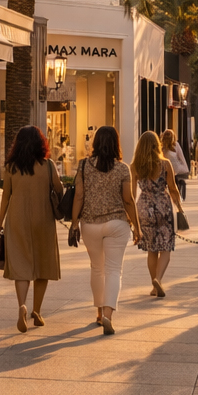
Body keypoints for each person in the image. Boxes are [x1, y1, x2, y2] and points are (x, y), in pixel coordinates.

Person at [70, 125, 141, 335]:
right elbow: (128, 200)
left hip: (90, 224)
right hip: (117, 224)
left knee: (97, 268)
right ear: (116, 144)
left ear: (95, 143)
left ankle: (99, 313)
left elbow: (79, 196)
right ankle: (109, 315)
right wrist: (137, 227)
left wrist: (74, 223)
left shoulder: (83, 166)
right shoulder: (122, 169)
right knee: (113, 270)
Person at [0, 125, 64, 333]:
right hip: (43, 220)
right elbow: (59, 190)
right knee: (42, 265)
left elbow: (6, 195)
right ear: (40, 143)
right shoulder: (49, 166)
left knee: (21, 266)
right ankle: (37, 311)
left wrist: (0, 222)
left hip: (17, 220)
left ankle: (22, 306)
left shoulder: (11, 167)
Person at [131, 131, 183, 298]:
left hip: (144, 207)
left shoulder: (135, 166)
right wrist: (180, 208)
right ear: (157, 145)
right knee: (166, 247)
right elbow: (173, 189)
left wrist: (131, 219)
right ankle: (158, 280)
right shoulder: (165, 164)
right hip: (163, 207)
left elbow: (131, 195)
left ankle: (154, 286)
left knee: (151, 250)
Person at [161, 128, 190, 201]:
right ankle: (175, 196)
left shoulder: (165, 146)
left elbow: (181, 157)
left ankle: (174, 197)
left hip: (171, 169)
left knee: (171, 182)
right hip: (171, 168)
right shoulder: (169, 145)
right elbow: (181, 157)